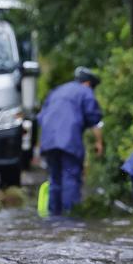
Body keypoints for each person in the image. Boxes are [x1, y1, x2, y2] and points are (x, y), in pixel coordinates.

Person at [37, 66, 104, 216]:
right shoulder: (85, 92)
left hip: (48, 140)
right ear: (88, 83)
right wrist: (99, 142)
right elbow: (94, 119)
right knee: (70, 177)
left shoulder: (57, 90)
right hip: (69, 141)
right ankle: (70, 217)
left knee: (55, 178)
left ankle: (54, 216)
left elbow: (41, 117)